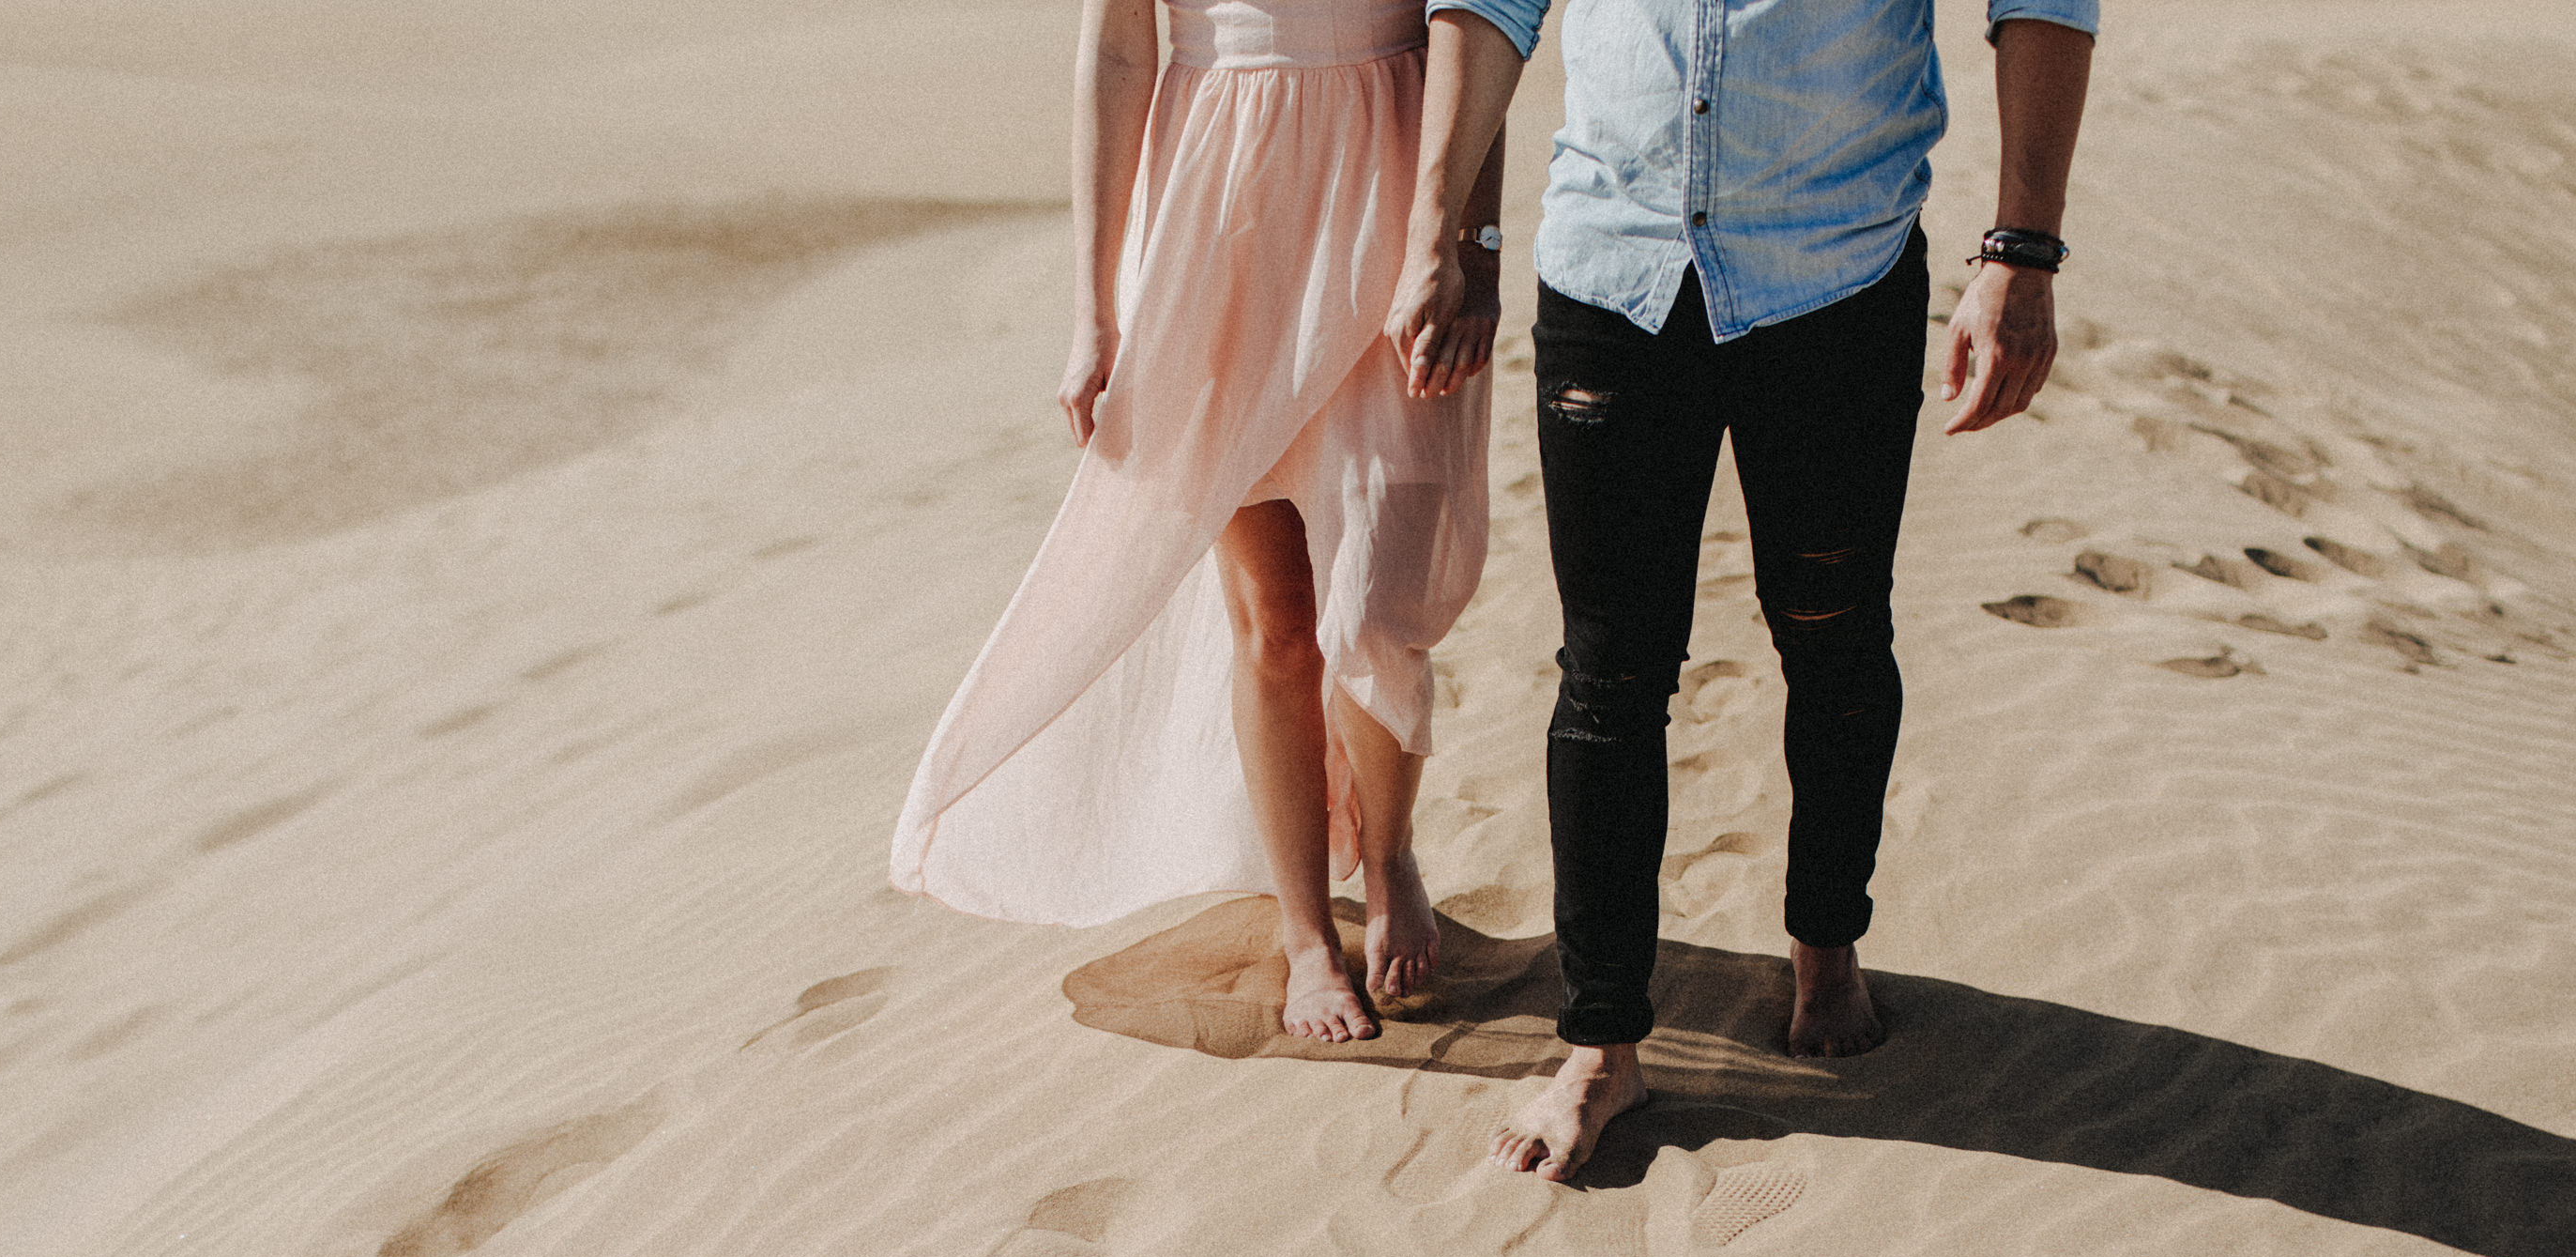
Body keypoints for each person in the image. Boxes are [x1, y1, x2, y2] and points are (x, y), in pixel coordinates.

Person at [1388, 0, 2096, 1177]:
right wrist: (1441, 235)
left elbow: (2041, 3)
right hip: (1611, 263)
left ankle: (1825, 940)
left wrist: (2020, 253)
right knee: (1606, 674)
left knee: (1831, 633)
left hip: (1835, 268)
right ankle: (1601, 1041)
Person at [892, 0, 1512, 1044]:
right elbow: (1120, 49)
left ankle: (1390, 842)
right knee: (1274, 614)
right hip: (1214, 212)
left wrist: (1471, 241)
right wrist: (1094, 311)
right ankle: (1307, 928)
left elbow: (1477, 21)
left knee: (1374, 601)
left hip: (1393, 197)